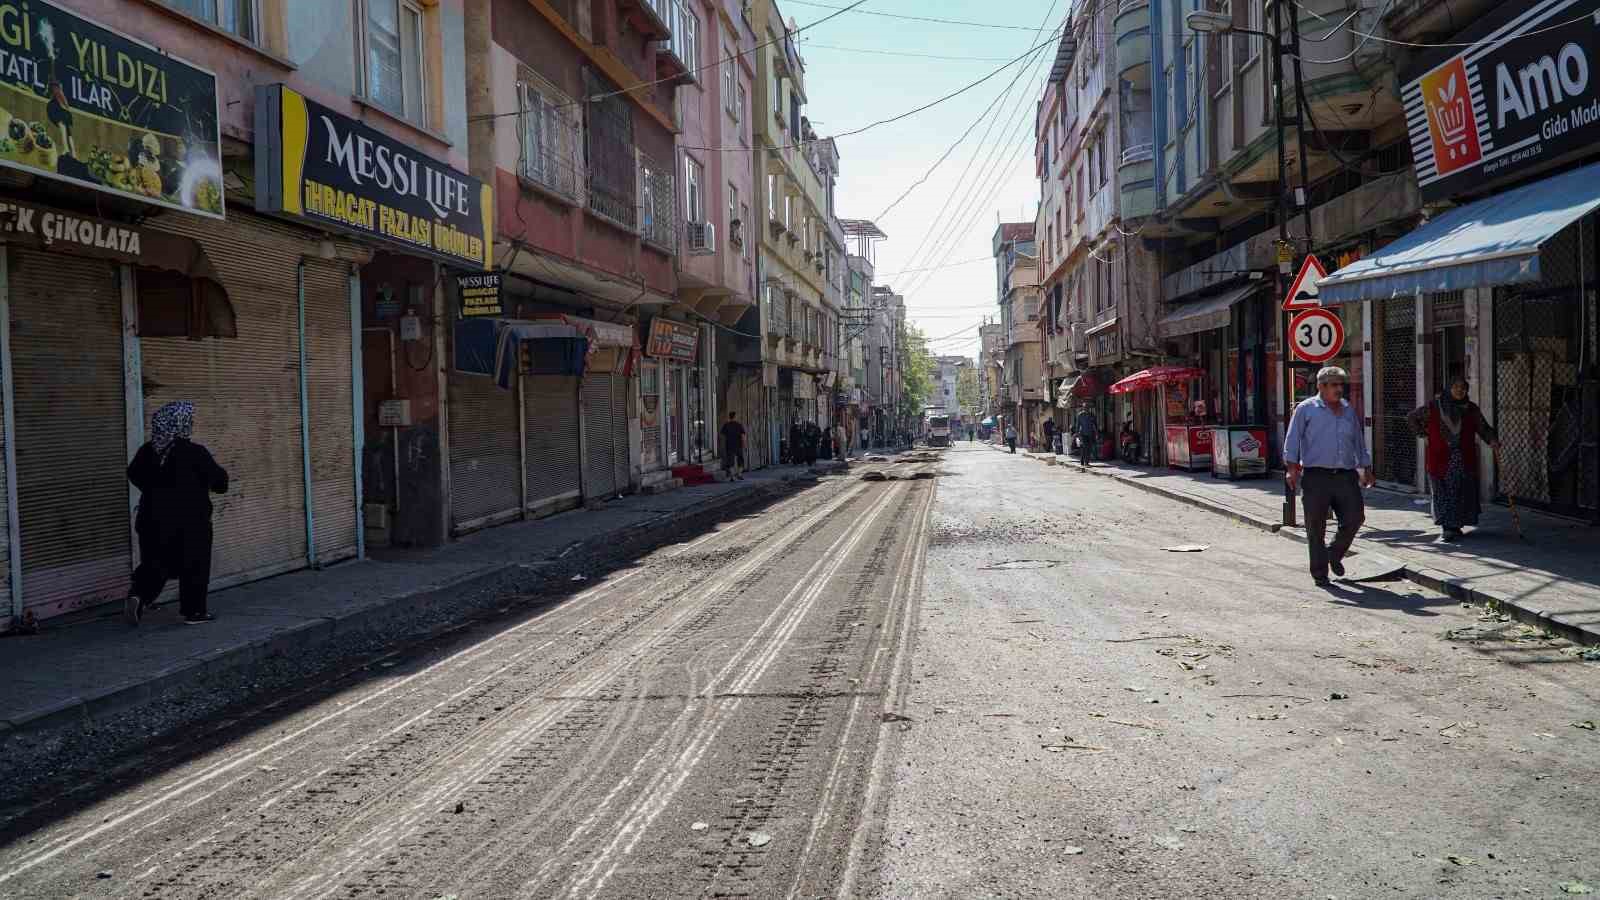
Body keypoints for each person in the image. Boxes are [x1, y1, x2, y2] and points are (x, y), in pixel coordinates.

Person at [124, 401, 228, 625]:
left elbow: (133, 473)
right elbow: (220, 482)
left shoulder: (148, 450)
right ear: (181, 424)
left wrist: (154, 490)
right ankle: (194, 612)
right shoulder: (194, 452)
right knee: (195, 564)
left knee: (156, 562)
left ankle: (139, 595)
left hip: (150, 519)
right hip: (190, 522)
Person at [1283, 366, 1375, 587]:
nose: (1338, 389)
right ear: (1321, 387)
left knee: (1355, 518)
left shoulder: (1348, 410)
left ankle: (1333, 553)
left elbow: (1358, 441)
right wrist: (1292, 468)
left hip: (1345, 476)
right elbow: (1292, 440)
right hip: (1316, 476)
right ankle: (1320, 573)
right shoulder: (1306, 409)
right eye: (1334, 385)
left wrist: (1366, 467)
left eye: (1341, 385)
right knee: (1315, 526)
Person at [1409, 371, 1500, 541]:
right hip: (1440, 459)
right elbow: (1412, 417)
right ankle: (1448, 527)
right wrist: (1425, 434)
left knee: (1461, 491)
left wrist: (1492, 440)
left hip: (1463, 458)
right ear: (1449, 389)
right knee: (1443, 492)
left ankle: (1456, 525)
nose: (1459, 391)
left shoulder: (1471, 409)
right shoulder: (1434, 406)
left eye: (1463, 388)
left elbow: (1483, 428)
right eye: (1455, 387)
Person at [720, 411, 747, 481]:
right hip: (738, 445)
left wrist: (722, 446)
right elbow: (743, 436)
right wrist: (744, 445)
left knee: (730, 461)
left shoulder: (726, 425)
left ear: (729, 417)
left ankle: (732, 477)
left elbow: (722, 436)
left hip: (729, 446)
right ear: (735, 417)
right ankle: (739, 474)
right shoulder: (739, 425)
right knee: (740, 460)